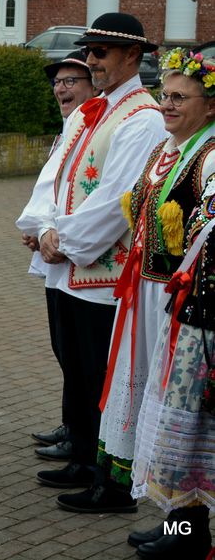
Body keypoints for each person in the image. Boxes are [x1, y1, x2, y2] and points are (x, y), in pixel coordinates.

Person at [34, 13, 168, 500]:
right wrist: (45, 227)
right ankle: (84, 457)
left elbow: (117, 200)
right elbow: (61, 178)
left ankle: (104, 475)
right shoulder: (100, 110)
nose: (93, 60)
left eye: (102, 52)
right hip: (74, 266)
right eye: (90, 51)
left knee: (98, 372)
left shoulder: (142, 117)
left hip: (103, 272)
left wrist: (61, 239)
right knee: (76, 364)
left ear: (132, 56)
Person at [120, 49, 215, 558]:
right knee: (173, 417)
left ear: (211, 105)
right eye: (165, 96)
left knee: (191, 420)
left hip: (192, 308)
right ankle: (180, 526)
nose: (167, 105)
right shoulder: (172, 150)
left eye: (180, 97)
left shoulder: (212, 155)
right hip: (159, 297)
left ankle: (189, 533)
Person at [16, 51, 98, 463]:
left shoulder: (92, 128)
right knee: (63, 347)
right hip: (57, 250)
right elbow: (52, 187)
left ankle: (81, 434)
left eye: (71, 81)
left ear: (92, 85)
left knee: (78, 353)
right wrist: (38, 229)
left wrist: (51, 232)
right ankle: (73, 424)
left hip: (77, 253)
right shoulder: (69, 128)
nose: (61, 88)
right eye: (58, 82)